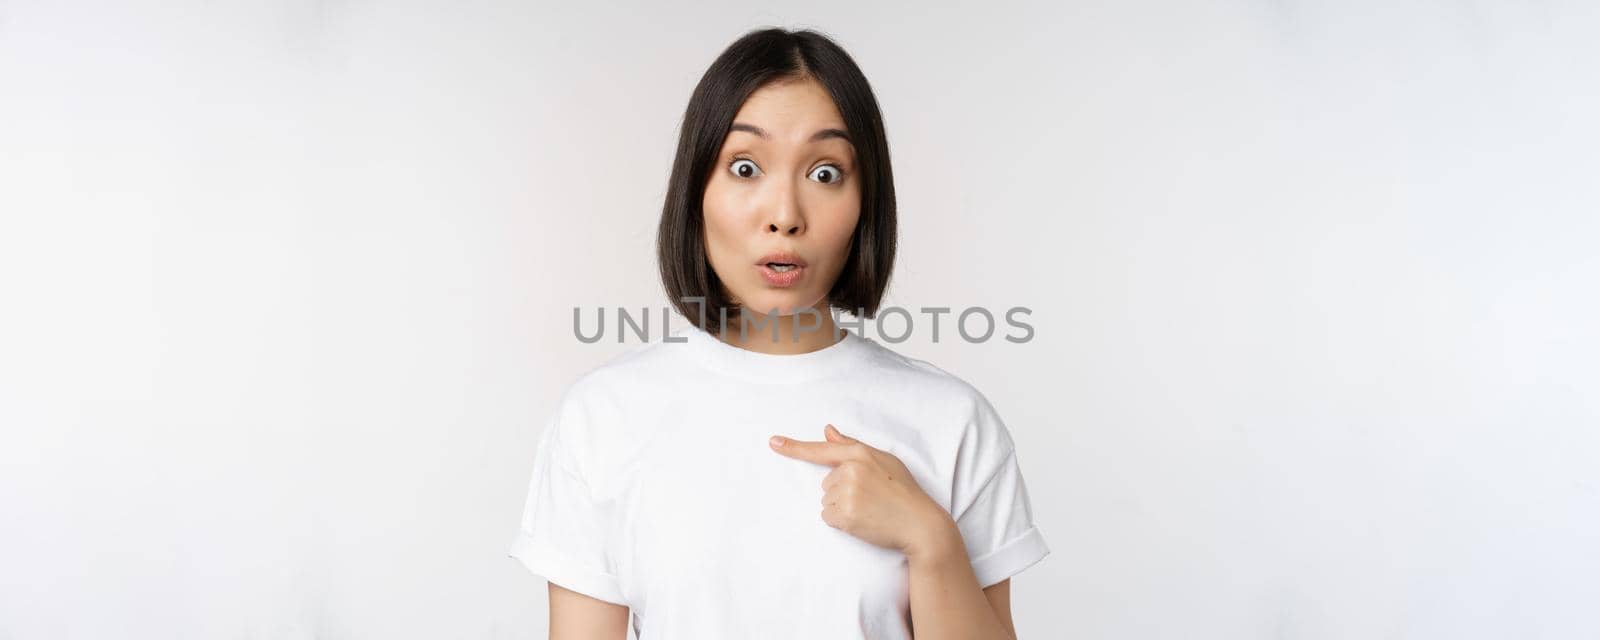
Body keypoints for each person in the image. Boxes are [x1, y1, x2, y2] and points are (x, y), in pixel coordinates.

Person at [509, 27, 1049, 639]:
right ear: (696, 192)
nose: (786, 216)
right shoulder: (603, 417)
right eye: (745, 167)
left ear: (865, 203)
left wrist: (931, 542)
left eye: (825, 173)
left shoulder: (953, 422)